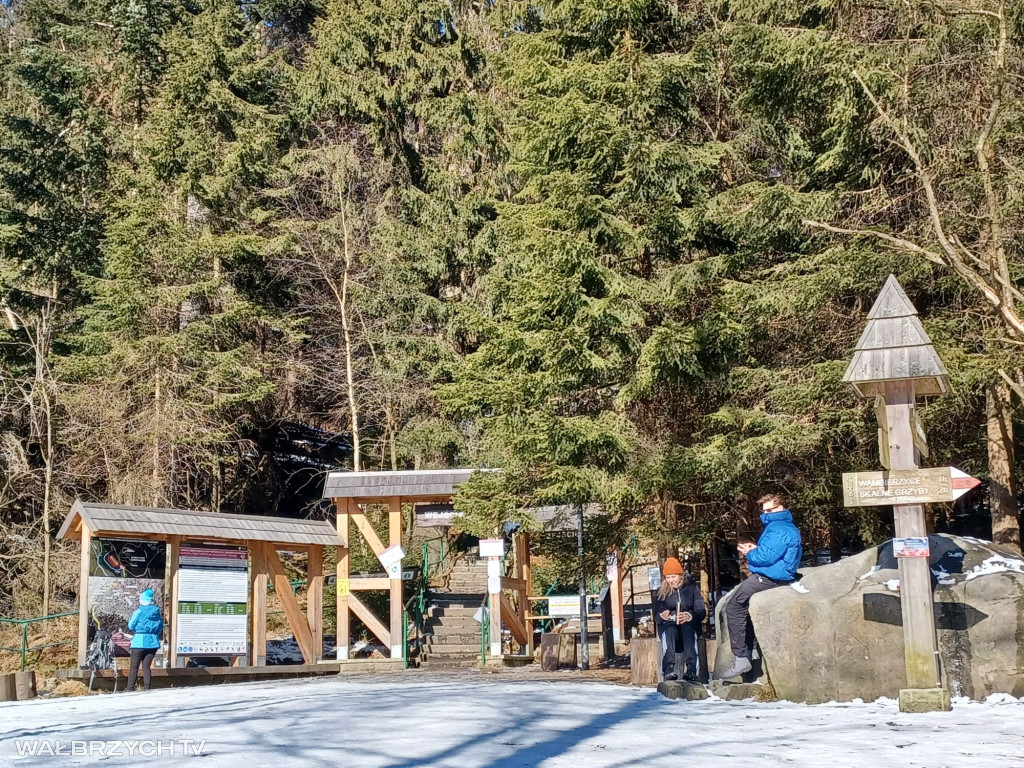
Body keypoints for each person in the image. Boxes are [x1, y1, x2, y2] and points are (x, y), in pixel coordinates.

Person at [719, 493, 802, 681]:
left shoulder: (778, 529)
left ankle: (741, 657)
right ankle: (750, 653)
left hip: (770, 578)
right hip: (775, 575)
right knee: (743, 607)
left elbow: (764, 557)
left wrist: (750, 552)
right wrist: (755, 548)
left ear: (781, 507)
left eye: (770, 510)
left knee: (733, 606)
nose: (766, 514)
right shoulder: (782, 526)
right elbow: (770, 552)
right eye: (764, 511)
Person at [654, 557, 706, 681]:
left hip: (689, 625)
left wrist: (689, 616)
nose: (671, 580)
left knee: (688, 630)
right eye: (668, 577)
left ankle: (692, 669)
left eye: (673, 577)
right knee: (670, 631)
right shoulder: (661, 592)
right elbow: (656, 617)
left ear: (680, 576)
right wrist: (662, 615)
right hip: (669, 626)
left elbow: (701, 611)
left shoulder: (692, 588)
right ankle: (667, 669)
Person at [124, 588, 163, 692]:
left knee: (134, 667)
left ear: (142, 600)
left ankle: (130, 688)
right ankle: (147, 687)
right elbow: (160, 627)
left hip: (139, 641)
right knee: (146, 666)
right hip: (152, 643)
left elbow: (131, 626)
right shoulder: (157, 612)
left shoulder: (139, 611)